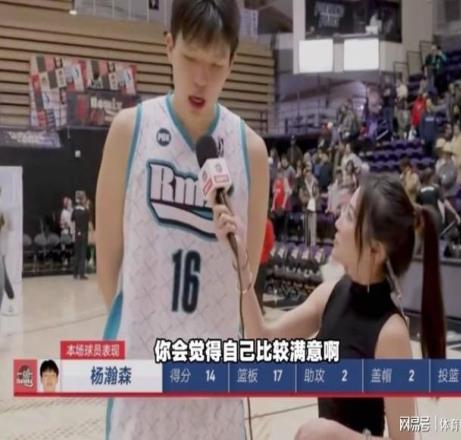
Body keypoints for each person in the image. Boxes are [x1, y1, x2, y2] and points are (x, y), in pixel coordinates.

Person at [95, 1, 269, 438]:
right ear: (169, 46)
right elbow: (108, 264)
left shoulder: (250, 151)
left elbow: (246, 277)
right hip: (142, 380)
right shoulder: (129, 130)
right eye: (191, 58)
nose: (201, 78)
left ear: (232, 62)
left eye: (216, 64)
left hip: (216, 385)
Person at [212, 173, 446, 438]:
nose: (336, 222)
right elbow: (261, 340)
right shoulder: (330, 294)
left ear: (375, 250)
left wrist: (332, 433)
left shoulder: (391, 333)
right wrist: (241, 262)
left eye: (349, 216)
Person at [417, 168, 461, 233]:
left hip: (424, 218)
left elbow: (417, 206)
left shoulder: (419, 190)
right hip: (435, 217)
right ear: (431, 177)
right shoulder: (436, 188)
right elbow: (445, 202)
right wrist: (455, 214)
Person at [0, 187, 16, 316]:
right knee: (2, 272)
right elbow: (11, 227)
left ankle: (10, 296)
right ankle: (11, 295)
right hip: (3, 245)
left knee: (2, 274)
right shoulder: (6, 208)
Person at [254, 217, 275, 315]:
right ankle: (259, 308)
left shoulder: (251, 221)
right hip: (262, 259)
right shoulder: (267, 223)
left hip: (251, 257)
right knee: (259, 286)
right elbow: (270, 243)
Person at [72, 192, 90, 280]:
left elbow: (72, 220)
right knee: (83, 254)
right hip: (84, 233)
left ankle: (75, 273)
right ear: (83, 200)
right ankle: (81, 274)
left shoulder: (75, 210)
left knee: (77, 253)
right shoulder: (85, 211)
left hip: (77, 233)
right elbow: (88, 222)